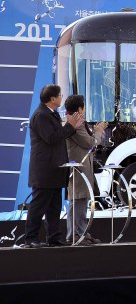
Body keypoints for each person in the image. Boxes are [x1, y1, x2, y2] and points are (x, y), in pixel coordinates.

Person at [22, 85, 83, 248]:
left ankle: (54, 237)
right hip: (44, 169)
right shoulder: (41, 115)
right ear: (53, 99)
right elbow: (51, 138)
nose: (62, 97)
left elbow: (59, 136)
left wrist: (72, 127)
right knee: (38, 206)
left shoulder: (52, 114)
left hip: (56, 168)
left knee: (54, 207)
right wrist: (69, 126)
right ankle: (31, 238)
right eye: (60, 95)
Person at [64, 95, 108, 245]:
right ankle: (75, 234)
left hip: (82, 167)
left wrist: (95, 129)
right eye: (83, 106)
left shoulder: (75, 121)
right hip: (78, 168)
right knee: (78, 200)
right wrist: (99, 131)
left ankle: (81, 232)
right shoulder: (75, 123)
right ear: (79, 108)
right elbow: (90, 143)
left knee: (81, 200)